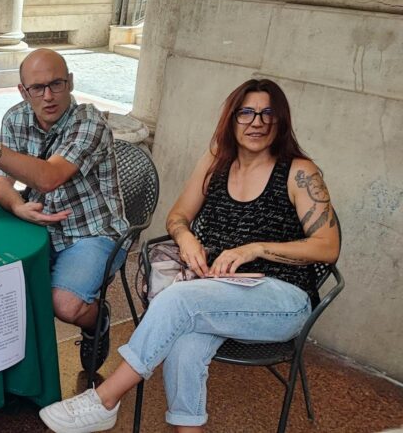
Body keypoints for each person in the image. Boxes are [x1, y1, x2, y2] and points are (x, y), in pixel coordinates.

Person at [33, 79, 340, 433]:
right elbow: (178, 216)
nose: (256, 122)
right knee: (184, 342)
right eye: (246, 113)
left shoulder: (299, 172)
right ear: (232, 119)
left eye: (267, 113)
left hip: (281, 300)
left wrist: (255, 248)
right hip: (218, 292)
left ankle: (105, 399)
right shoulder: (217, 162)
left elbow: (327, 246)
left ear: (279, 120)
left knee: (179, 301)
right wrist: (186, 238)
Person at [0, 48, 128, 373]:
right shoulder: (16, 118)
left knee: (65, 305)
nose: (48, 96)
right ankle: (7, 368)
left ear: (70, 82)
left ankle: (98, 318)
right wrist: (18, 206)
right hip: (38, 226)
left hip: (93, 232)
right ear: (23, 91)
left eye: (56, 84)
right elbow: (1, 183)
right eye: (37, 88)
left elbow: (49, 177)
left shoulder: (89, 122)